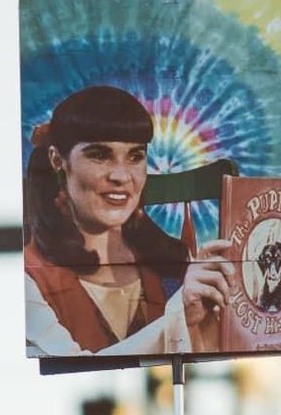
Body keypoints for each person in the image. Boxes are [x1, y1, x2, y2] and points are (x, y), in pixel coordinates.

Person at [24, 85, 234, 357]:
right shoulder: (30, 279)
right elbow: (78, 367)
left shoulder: (173, 265)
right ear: (57, 160)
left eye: (135, 156)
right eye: (99, 155)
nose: (122, 177)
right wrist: (178, 314)